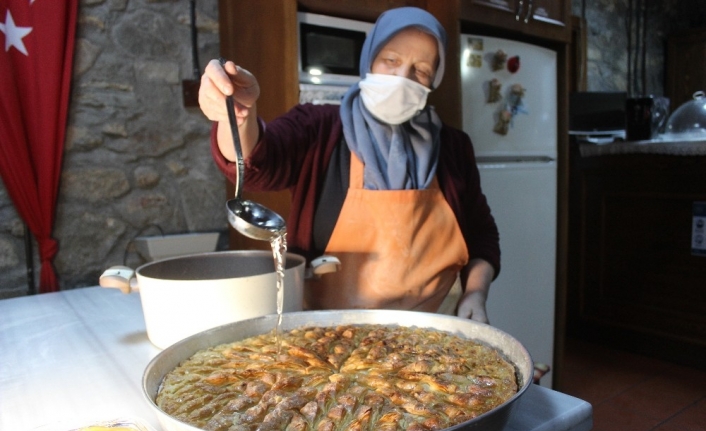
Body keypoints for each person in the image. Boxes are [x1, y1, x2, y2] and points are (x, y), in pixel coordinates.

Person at [198, 7, 500, 323]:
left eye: (421, 70)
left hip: (432, 337)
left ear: (433, 81)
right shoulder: (318, 127)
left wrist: (475, 294)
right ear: (368, 59)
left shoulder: (453, 147)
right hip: (327, 339)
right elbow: (261, 161)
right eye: (391, 60)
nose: (402, 78)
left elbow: (482, 234)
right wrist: (237, 115)